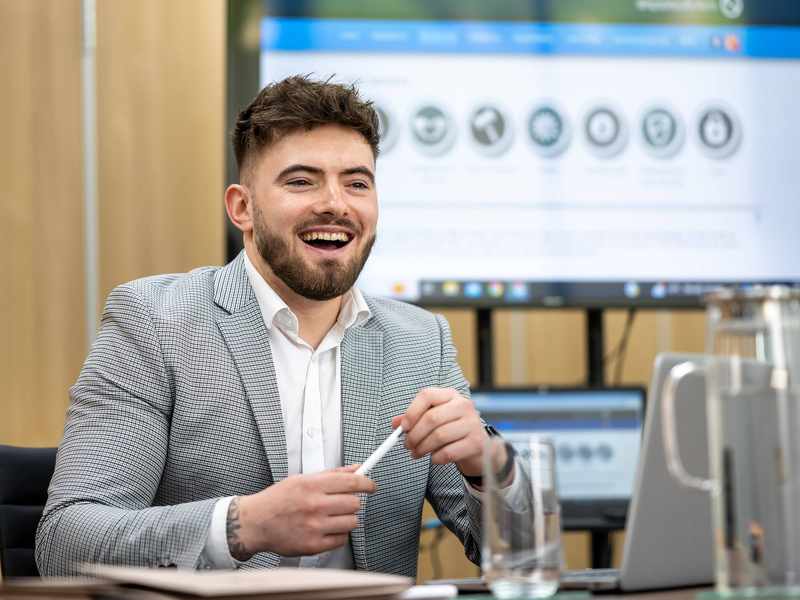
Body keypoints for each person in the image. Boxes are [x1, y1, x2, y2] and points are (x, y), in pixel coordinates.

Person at [35, 75, 511, 577]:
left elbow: (514, 551)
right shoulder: (156, 322)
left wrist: (487, 466)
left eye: (357, 183)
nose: (336, 204)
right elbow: (66, 544)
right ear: (242, 208)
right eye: (301, 181)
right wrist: (241, 525)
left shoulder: (422, 341)